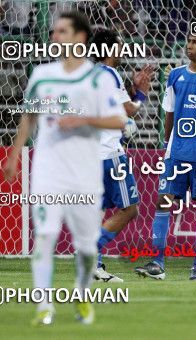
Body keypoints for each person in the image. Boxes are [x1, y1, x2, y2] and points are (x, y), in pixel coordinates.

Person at [2, 11, 127, 325]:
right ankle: (44, 306)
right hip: (49, 171)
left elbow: (118, 120)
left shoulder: (98, 78)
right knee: (44, 236)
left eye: (61, 31)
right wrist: (15, 155)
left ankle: (82, 296)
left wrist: (84, 119)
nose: (54, 37)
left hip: (84, 174)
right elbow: (29, 116)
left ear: (80, 38)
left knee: (85, 246)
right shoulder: (42, 74)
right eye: (54, 32)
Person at [134, 32, 196, 281]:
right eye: (188, 41)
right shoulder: (175, 75)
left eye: (195, 42)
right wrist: (167, 143)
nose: (189, 46)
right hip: (176, 153)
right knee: (163, 202)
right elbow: (169, 112)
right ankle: (157, 263)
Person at [91, 28, 154, 283]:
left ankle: (93, 267)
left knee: (100, 209)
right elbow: (130, 111)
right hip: (110, 155)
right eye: (119, 45)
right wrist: (140, 92)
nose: (122, 49)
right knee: (130, 210)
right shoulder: (109, 73)